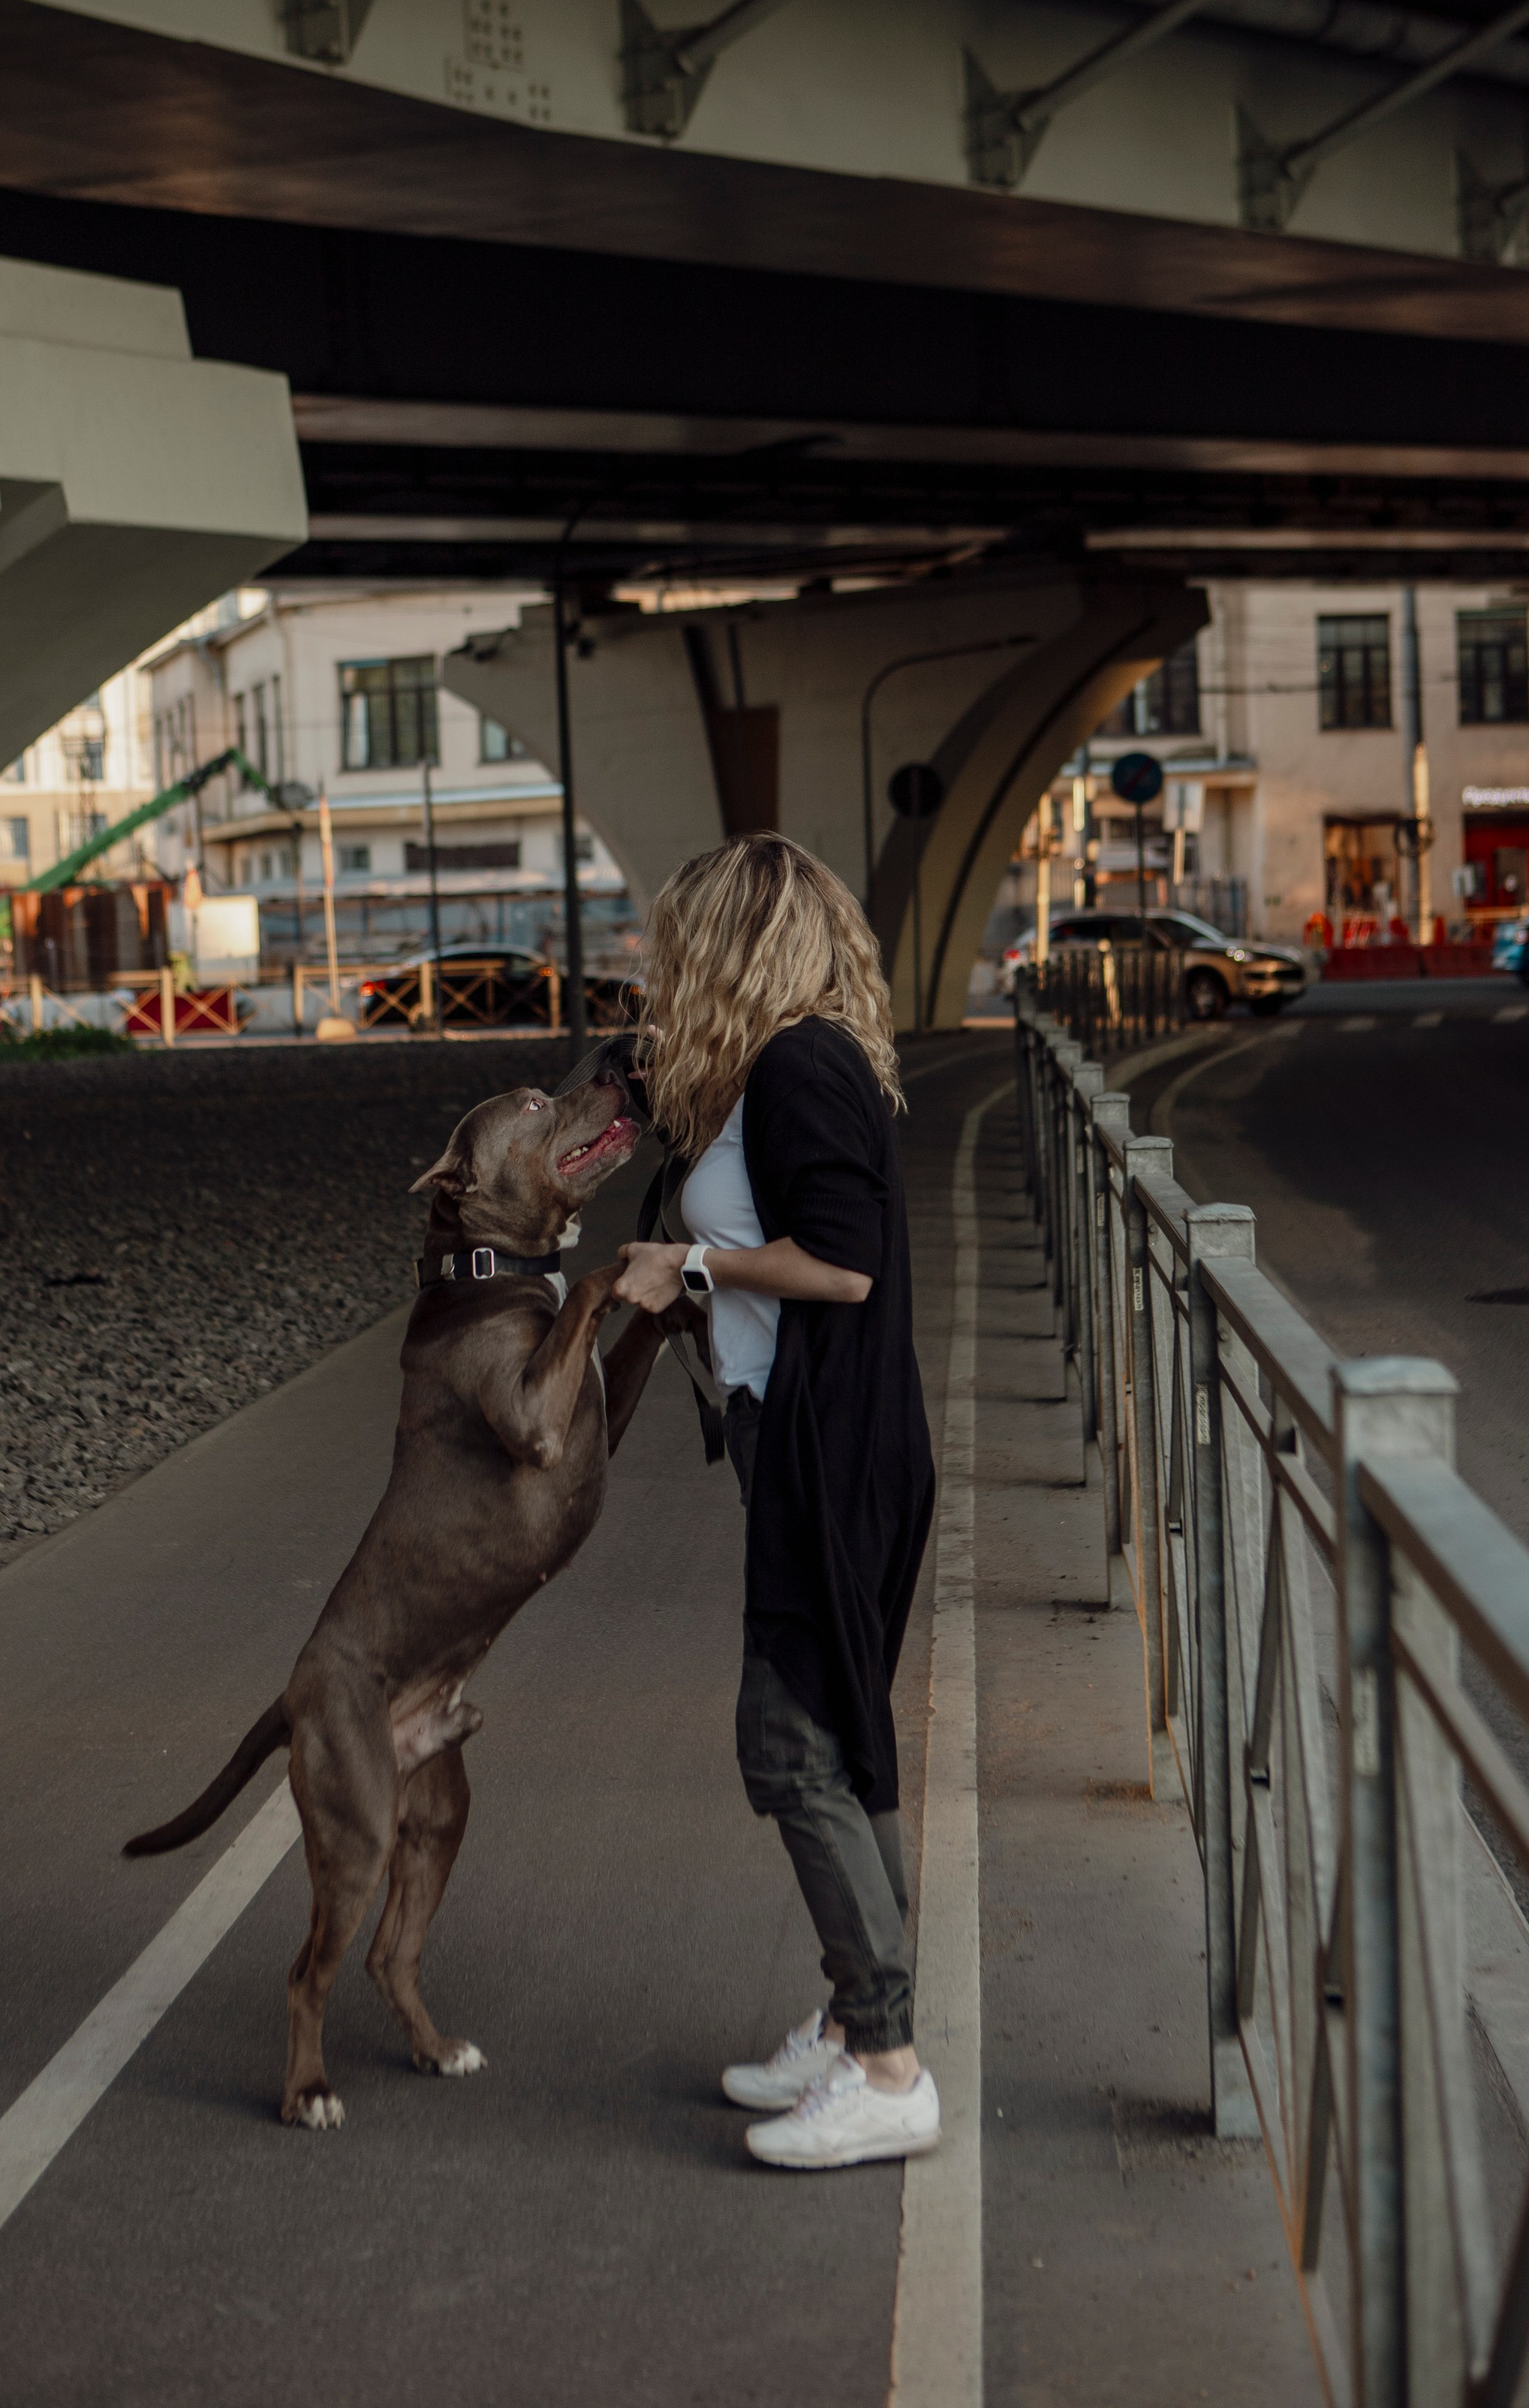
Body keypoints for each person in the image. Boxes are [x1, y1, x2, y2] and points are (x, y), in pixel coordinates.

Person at [611, 832, 938, 2171]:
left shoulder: (804, 1063)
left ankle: (889, 2066)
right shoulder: (792, 1066)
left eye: (678, 940)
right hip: (825, 1443)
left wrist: (691, 1261)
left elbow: (843, 1269)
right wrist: (696, 1275)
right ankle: (859, 2021)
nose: (661, 964)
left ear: (737, 942)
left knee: (791, 1744)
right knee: (843, 1731)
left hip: (835, 1451)